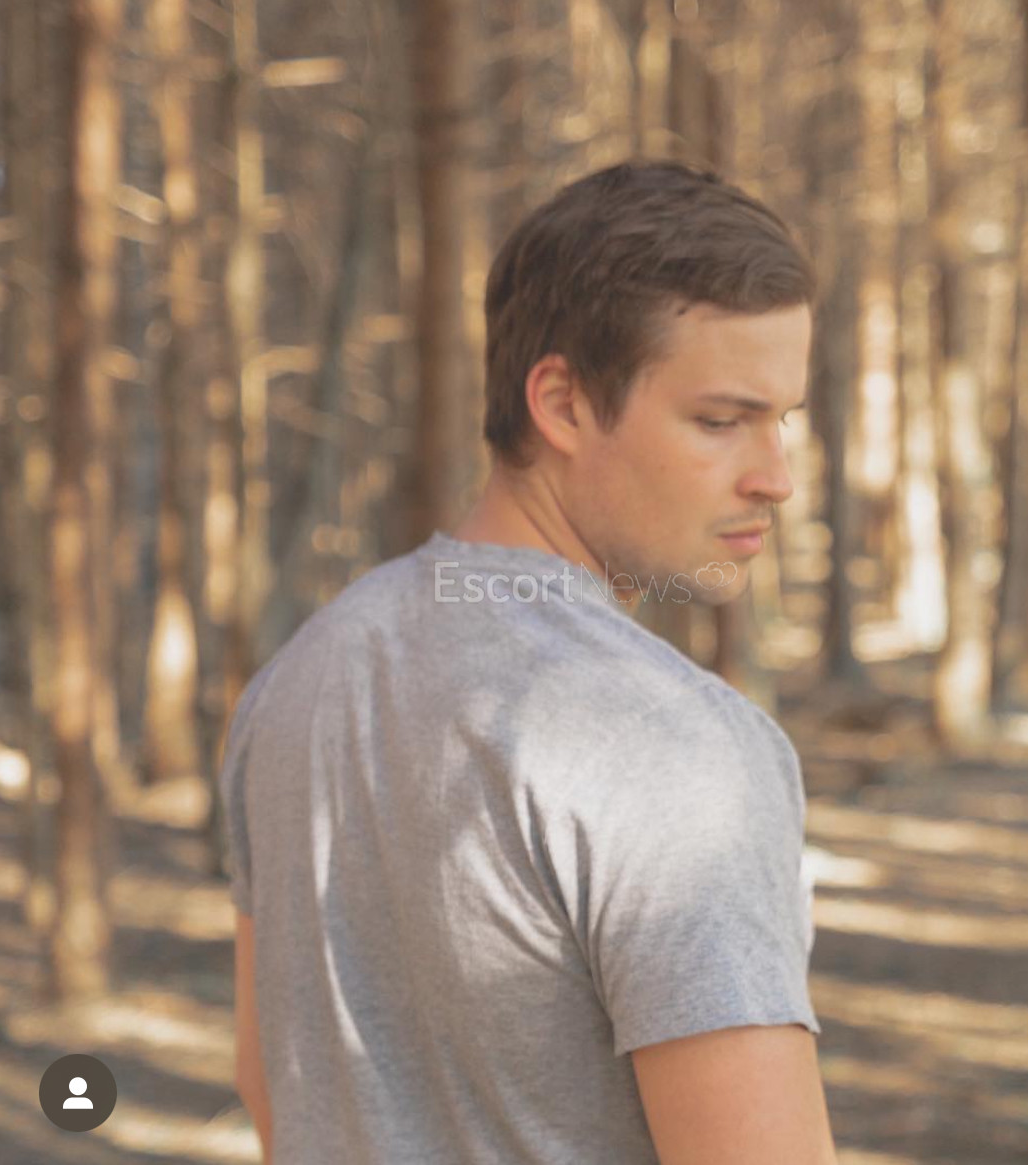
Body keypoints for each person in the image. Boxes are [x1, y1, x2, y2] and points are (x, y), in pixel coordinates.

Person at [221, 157, 839, 1165]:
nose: (775, 477)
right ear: (560, 402)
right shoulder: (677, 749)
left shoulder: (300, 676)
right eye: (721, 421)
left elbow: (270, 1084)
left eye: (784, 421)